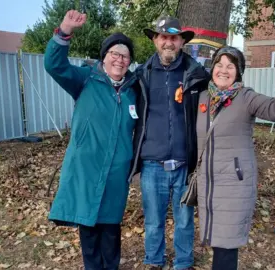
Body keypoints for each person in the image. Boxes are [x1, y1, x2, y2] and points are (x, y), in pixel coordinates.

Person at [195, 43, 275, 270]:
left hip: (234, 184)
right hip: (208, 184)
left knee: (226, 247)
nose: (223, 70)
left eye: (230, 66)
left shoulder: (246, 97)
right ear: (212, 68)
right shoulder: (202, 99)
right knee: (216, 242)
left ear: (238, 72)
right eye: (219, 64)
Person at [44, 10, 142, 270]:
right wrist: (64, 31)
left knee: (110, 229)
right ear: (105, 56)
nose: (119, 60)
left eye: (125, 55)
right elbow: (54, 65)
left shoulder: (134, 90)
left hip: (116, 171)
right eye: (114, 54)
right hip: (86, 168)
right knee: (88, 226)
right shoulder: (86, 79)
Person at [127, 16, 210, 270]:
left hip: (186, 163)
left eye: (173, 38)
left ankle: (183, 262)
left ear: (182, 42)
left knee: (184, 219)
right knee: (153, 220)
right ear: (155, 40)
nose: (168, 43)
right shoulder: (141, 75)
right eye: (163, 37)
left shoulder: (196, 75)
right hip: (152, 163)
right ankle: (154, 260)